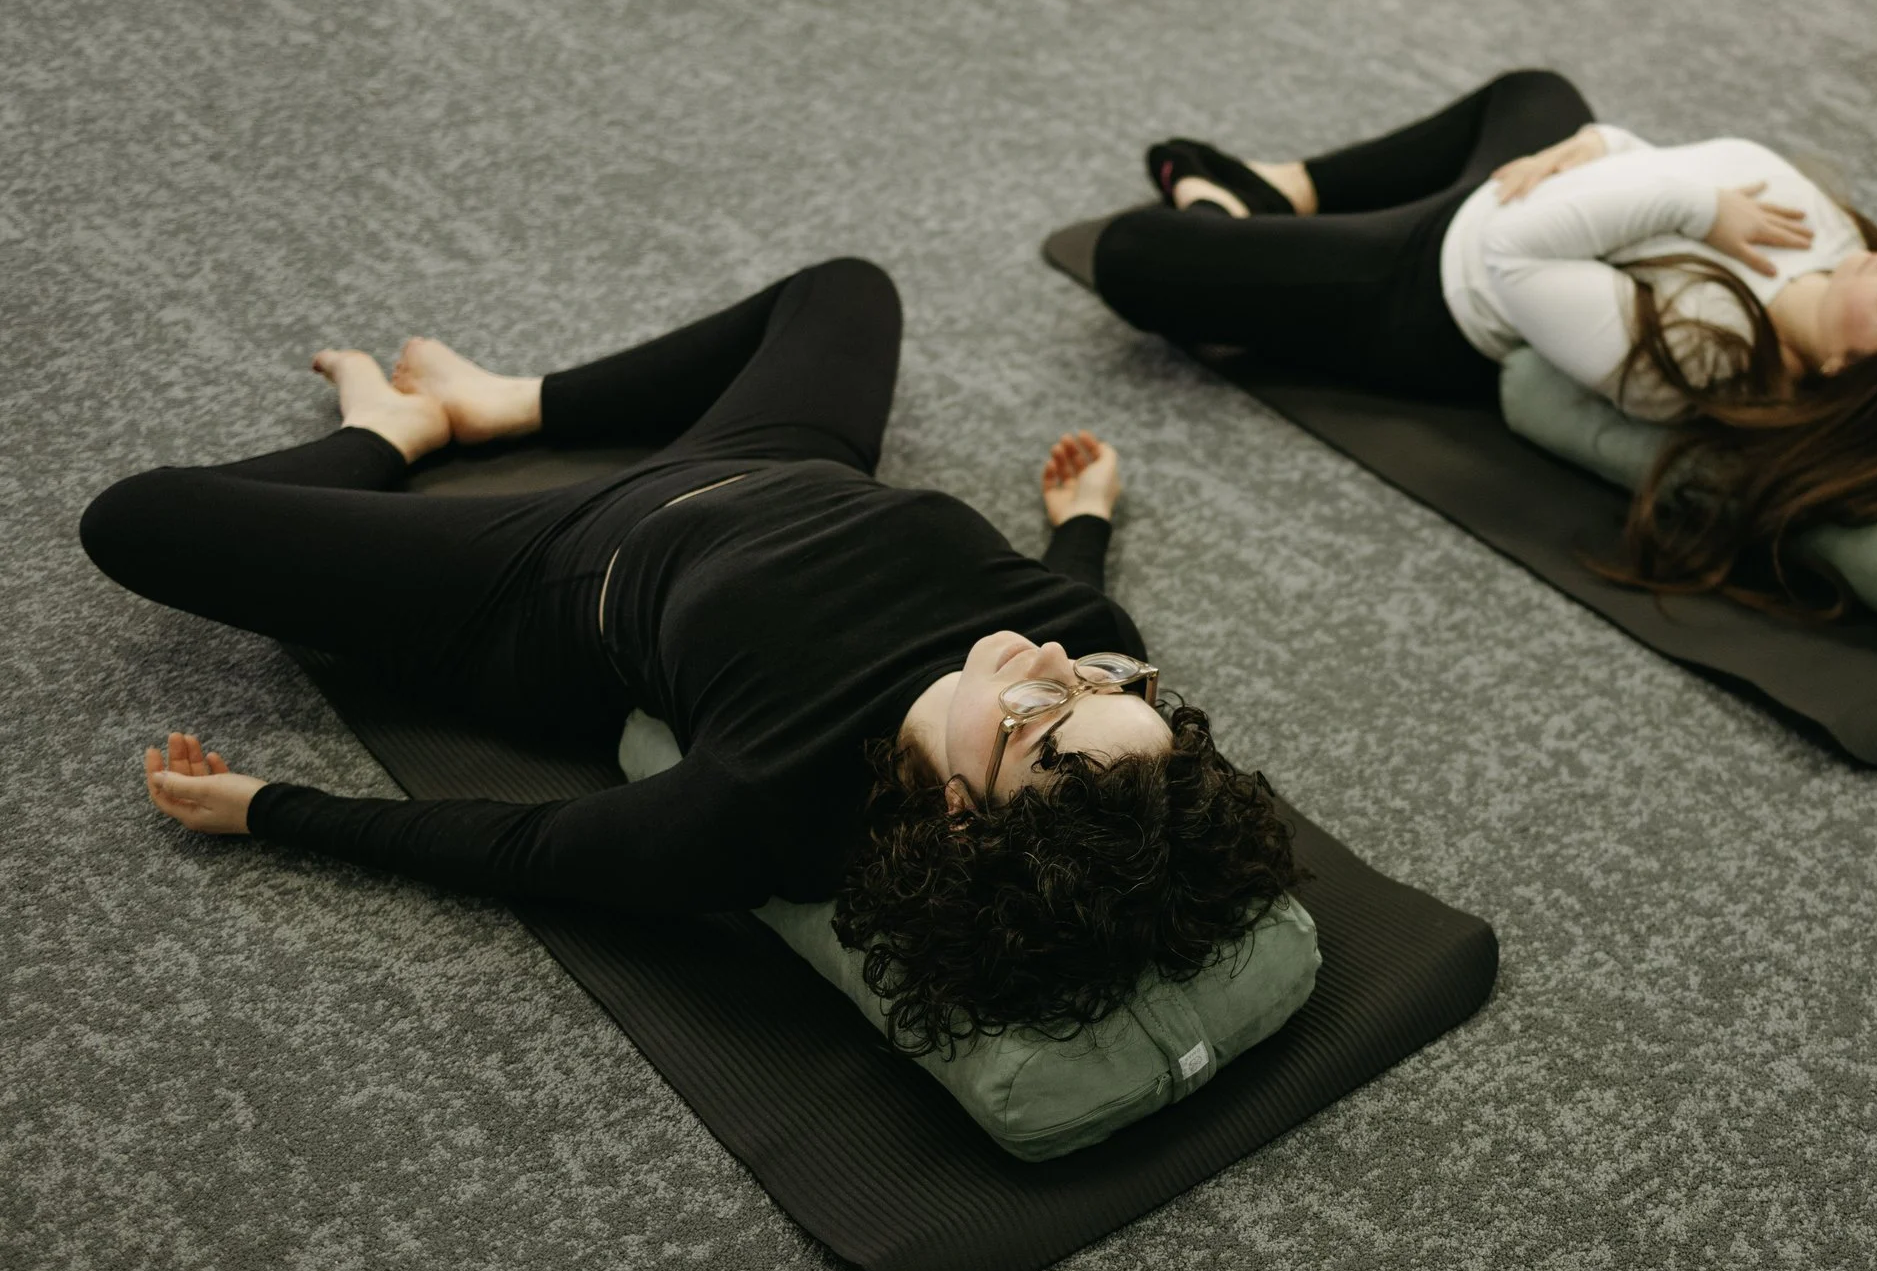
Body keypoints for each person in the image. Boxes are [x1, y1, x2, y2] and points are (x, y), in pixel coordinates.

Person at [80, 258, 1302, 1053]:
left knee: (137, 519)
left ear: (963, 818)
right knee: (846, 287)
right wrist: (1081, 521)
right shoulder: (1090, 646)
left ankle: (391, 432)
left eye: (1044, 706)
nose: (1052, 651)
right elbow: (1074, 619)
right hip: (781, 457)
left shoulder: (768, 804)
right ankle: (512, 404)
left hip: (535, 570)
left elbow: (526, 848)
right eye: (1104, 684)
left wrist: (270, 809)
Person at [1081, 70, 1877, 610]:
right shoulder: (1832, 246)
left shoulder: (1707, 355)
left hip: (1426, 289)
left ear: (1843, 373)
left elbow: (1512, 256)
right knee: (1538, 91)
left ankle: (1244, 210)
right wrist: (1605, 151)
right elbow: (1641, 167)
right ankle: (1278, 192)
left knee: (1129, 253)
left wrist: (1683, 197)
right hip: (1528, 190)